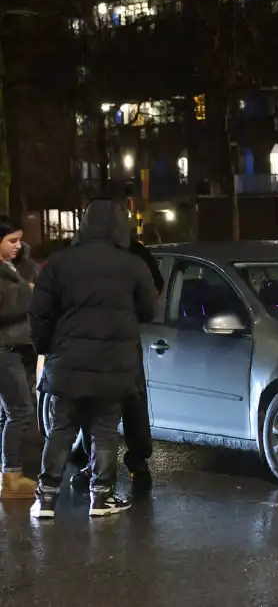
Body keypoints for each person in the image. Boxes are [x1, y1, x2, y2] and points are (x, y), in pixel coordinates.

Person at [29, 198, 158, 519]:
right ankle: (101, 498)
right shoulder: (132, 265)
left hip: (67, 364)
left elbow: (40, 313)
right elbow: (149, 310)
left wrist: (46, 347)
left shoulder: (59, 263)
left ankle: (45, 498)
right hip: (113, 365)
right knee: (105, 430)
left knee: (61, 429)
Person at [69, 228, 163, 490]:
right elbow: (153, 295)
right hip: (124, 341)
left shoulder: (81, 255)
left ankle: (96, 466)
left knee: (96, 406)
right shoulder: (135, 254)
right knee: (132, 402)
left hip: (90, 342)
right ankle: (137, 464)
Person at [0, 218, 39, 499]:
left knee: (12, 413)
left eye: (20, 240)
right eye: (12, 241)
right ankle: (11, 476)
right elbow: (6, 303)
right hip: (5, 351)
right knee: (20, 411)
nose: (18, 246)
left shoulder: (13, 265)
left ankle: (11, 471)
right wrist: (29, 291)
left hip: (19, 349)